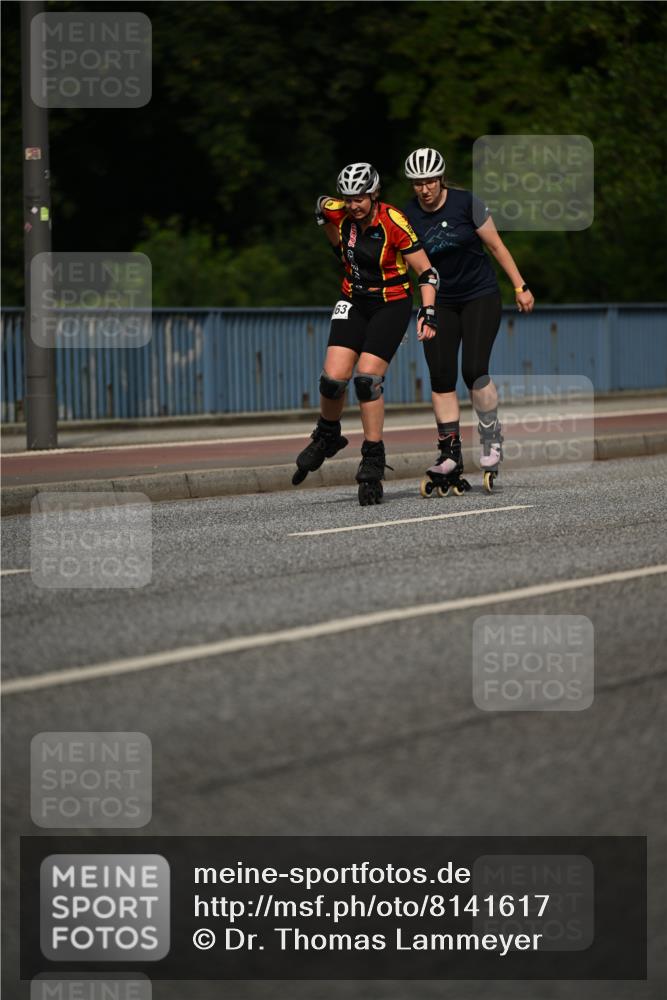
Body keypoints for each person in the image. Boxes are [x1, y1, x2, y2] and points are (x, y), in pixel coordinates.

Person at [292, 161, 439, 505]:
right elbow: (322, 207)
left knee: (366, 381)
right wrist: (336, 247)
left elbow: (427, 272)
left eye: (360, 198)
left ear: (374, 194)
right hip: (354, 298)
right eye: (349, 199)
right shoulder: (339, 210)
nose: (353, 205)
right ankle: (328, 434)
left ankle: (373, 458)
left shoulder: (394, 221)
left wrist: (428, 312)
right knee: (332, 380)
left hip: (391, 303)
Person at [403, 147, 535, 494]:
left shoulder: (466, 203)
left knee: (474, 369)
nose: (424, 188)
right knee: (441, 376)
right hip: (439, 301)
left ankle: (491, 438)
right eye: (417, 182)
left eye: (430, 180)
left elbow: (496, 247)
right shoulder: (407, 216)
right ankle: (449, 454)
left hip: (480, 295)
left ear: (441, 178)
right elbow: (406, 268)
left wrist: (520, 286)